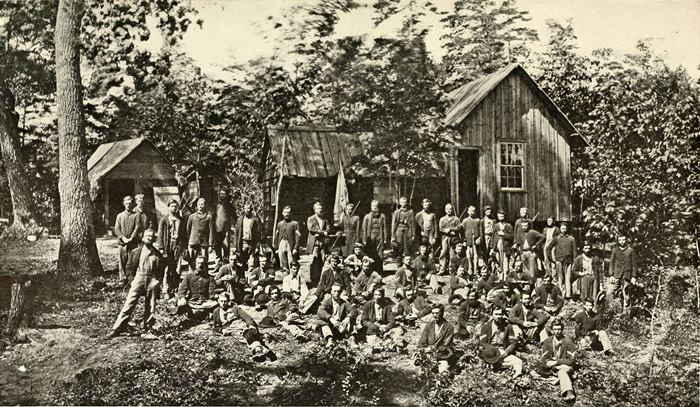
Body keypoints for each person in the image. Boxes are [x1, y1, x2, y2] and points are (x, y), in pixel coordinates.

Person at [107, 229, 163, 338]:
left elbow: (161, 269)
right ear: (143, 237)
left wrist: (157, 281)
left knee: (151, 306)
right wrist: (132, 280)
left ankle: (148, 327)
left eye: (151, 236)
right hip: (139, 277)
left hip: (152, 279)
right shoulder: (136, 251)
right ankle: (117, 328)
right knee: (129, 303)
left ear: (154, 239)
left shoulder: (157, 254)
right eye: (147, 235)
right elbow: (128, 267)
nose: (149, 238)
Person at [212, 292, 274, 362]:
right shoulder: (216, 312)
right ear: (218, 301)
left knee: (248, 333)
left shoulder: (235, 308)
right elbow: (216, 327)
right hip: (231, 329)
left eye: (225, 301)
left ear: (228, 301)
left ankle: (258, 350)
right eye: (221, 301)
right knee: (245, 336)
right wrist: (222, 330)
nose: (223, 303)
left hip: (241, 325)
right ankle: (263, 350)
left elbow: (247, 317)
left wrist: (251, 325)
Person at [534, 319, 577, 402]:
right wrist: (555, 366)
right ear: (552, 330)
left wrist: (557, 362)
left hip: (565, 366)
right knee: (536, 369)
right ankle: (559, 378)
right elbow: (544, 358)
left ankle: (569, 392)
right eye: (555, 329)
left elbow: (571, 360)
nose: (557, 331)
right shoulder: (547, 341)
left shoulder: (568, 341)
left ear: (562, 329)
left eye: (559, 329)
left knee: (562, 371)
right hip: (553, 367)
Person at [479, 306, 523, 380]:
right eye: (496, 314)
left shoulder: (507, 326)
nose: (498, 316)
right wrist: (494, 350)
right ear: (492, 314)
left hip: (503, 351)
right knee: (485, 361)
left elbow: (513, 342)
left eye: (500, 314)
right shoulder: (486, 326)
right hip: (490, 352)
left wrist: (506, 351)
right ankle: (497, 367)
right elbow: (482, 342)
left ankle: (517, 377)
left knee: (518, 362)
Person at [157, 199, 186, 298]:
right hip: (168, 246)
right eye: (172, 206)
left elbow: (184, 235)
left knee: (177, 268)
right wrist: (161, 247)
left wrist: (184, 247)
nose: (174, 208)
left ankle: (175, 288)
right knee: (167, 268)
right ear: (168, 207)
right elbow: (160, 234)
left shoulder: (181, 220)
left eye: (175, 206)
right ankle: (166, 289)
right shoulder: (164, 219)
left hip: (178, 246)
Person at [176, 255, 218, 320]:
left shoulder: (210, 278)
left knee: (216, 303)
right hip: (192, 301)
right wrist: (182, 298)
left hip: (205, 302)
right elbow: (182, 290)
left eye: (202, 263)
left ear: (205, 265)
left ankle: (203, 314)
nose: (200, 265)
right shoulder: (189, 276)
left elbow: (211, 292)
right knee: (181, 304)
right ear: (195, 264)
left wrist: (215, 296)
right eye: (198, 263)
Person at [417, 304, 455, 373]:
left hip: (442, 355)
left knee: (443, 373)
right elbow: (422, 341)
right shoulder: (429, 325)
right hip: (428, 354)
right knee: (422, 373)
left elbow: (445, 345)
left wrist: (431, 349)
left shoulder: (449, 327)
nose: (434, 315)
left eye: (437, 313)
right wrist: (423, 350)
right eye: (433, 313)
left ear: (442, 313)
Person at [114, 195, 142, 284]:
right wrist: (123, 238)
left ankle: (131, 278)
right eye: (126, 204)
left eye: (130, 203)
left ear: (133, 204)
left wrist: (131, 238)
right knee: (122, 260)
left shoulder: (136, 216)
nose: (128, 205)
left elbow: (137, 228)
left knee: (132, 260)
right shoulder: (120, 216)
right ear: (123, 204)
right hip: (122, 243)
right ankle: (123, 279)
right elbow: (117, 229)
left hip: (133, 242)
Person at [606, 235, 638, 306]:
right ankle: (612, 308)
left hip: (627, 276)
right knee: (609, 293)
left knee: (626, 296)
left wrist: (634, 276)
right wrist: (611, 275)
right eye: (620, 240)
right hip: (616, 275)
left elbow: (634, 265)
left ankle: (626, 311)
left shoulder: (630, 250)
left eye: (623, 240)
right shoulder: (615, 250)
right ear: (618, 241)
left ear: (626, 240)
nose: (622, 242)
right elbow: (611, 263)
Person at [186, 197, 214, 271]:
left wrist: (210, 245)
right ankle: (192, 274)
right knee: (192, 260)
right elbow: (188, 230)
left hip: (204, 243)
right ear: (196, 205)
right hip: (193, 242)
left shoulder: (209, 217)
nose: (200, 206)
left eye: (202, 204)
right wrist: (189, 241)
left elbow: (211, 232)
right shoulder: (192, 217)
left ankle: (204, 274)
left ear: (205, 205)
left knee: (204, 260)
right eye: (199, 204)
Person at [550, 222, 577, 299]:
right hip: (559, 261)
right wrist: (552, 260)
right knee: (560, 278)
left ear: (567, 229)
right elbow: (548, 249)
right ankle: (560, 294)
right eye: (562, 228)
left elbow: (574, 252)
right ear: (560, 229)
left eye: (565, 228)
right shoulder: (556, 238)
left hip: (568, 261)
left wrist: (574, 262)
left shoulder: (571, 239)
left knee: (568, 278)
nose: (564, 230)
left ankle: (568, 295)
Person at [233, 203, 262, 269]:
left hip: (252, 242)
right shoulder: (240, 220)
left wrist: (257, 246)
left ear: (251, 209)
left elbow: (259, 234)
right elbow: (236, 232)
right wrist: (235, 245)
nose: (247, 210)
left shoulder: (256, 220)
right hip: (243, 242)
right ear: (243, 209)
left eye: (248, 208)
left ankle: (251, 269)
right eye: (245, 208)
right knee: (242, 260)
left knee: (251, 261)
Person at [275, 205, 301, 271]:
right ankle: (285, 275)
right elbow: (276, 236)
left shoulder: (295, 223)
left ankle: (292, 275)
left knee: (291, 262)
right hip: (281, 243)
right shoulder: (280, 224)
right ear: (282, 213)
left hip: (290, 244)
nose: (287, 214)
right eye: (285, 212)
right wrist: (276, 247)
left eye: (288, 212)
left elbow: (298, 236)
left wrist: (295, 248)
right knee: (282, 261)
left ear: (291, 213)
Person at [362, 200, 387, 267]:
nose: (375, 207)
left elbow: (384, 228)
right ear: (371, 206)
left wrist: (385, 239)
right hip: (370, 236)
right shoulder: (367, 216)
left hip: (379, 236)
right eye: (373, 206)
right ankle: (371, 268)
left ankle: (379, 269)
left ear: (378, 206)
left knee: (380, 253)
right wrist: (364, 240)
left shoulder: (382, 216)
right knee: (371, 253)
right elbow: (364, 229)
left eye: (376, 206)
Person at [213, 189, 235, 264]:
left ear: (226, 195)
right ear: (219, 195)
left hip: (226, 229)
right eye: (221, 194)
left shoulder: (229, 205)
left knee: (226, 246)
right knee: (217, 246)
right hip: (217, 229)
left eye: (224, 194)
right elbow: (212, 216)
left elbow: (234, 216)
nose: (222, 195)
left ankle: (226, 262)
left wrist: (234, 226)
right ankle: (218, 263)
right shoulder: (216, 205)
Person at [490, 209, 513, 278]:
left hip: (505, 247)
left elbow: (511, 237)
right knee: (498, 262)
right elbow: (493, 237)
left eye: (502, 216)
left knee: (505, 263)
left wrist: (504, 234)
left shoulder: (508, 226)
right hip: (497, 246)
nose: (500, 218)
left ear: (504, 216)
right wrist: (492, 248)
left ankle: (505, 277)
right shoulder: (496, 226)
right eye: (499, 216)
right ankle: (499, 277)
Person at [439, 203, 461, 272]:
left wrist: (451, 229)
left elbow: (459, 227)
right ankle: (442, 269)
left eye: (450, 209)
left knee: (452, 253)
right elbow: (440, 228)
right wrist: (447, 231)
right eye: (447, 209)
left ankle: (451, 269)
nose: (449, 210)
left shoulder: (456, 219)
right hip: (445, 238)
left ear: (452, 210)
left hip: (453, 239)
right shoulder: (442, 219)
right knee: (443, 252)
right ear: (445, 210)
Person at [461, 206, 482, 274]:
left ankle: (476, 271)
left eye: (473, 211)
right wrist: (464, 240)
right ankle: (470, 270)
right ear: (467, 212)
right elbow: (462, 232)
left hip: (475, 240)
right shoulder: (465, 221)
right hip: (468, 240)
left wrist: (479, 238)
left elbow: (481, 231)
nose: (471, 212)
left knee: (476, 256)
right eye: (470, 211)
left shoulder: (478, 220)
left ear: (475, 212)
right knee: (469, 256)